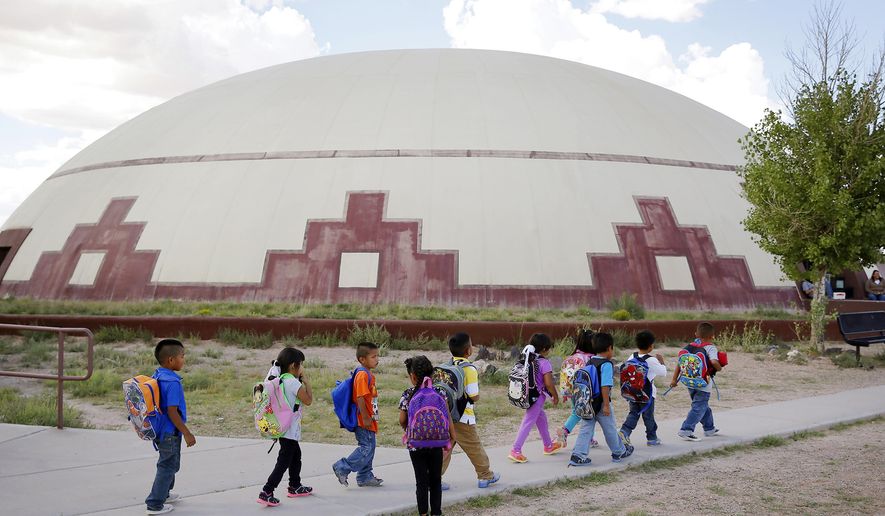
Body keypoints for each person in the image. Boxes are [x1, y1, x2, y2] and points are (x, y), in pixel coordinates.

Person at [440, 332, 501, 489]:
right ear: (468, 351)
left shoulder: (447, 366)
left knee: (444, 448)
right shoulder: (470, 369)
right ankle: (485, 475)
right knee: (474, 448)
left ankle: (433, 478)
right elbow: (473, 396)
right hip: (463, 417)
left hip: (446, 415)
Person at [399, 356, 456, 516]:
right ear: (431, 375)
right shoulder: (439, 392)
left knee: (421, 482)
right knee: (436, 481)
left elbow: (402, 420)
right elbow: (447, 416)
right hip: (437, 444)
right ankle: (436, 512)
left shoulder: (408, 395)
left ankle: (423, 513)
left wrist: (408, 430)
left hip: (416, 445)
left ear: (412, 376)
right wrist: (452, 437)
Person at [257, 347, 314, 507]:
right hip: (289, 430)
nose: (302, 367)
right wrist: (307, 381)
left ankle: (295, 485)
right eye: (301, 364)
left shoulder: (278, 379)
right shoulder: (292, 383)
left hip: (282, 428)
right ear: (293, 365)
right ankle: (267, 491)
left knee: (296, 456)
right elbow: (308, 400)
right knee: (283, 462)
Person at [145, 338, 196, 515]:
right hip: (170, 432)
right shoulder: (173, 383)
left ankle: (164, 494)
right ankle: (154, 504)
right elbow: (172, 412)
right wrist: (187, 433)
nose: (184, 359)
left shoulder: (158, 375)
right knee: (167, 466)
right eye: (182, 356)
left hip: (160, 430)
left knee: (171, 464)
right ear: (171, 360)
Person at [568, 332, 634, 466]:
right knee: (609, 429)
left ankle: (578, 455)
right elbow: (605, 386)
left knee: (586, 429)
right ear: (609, 348)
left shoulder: (590, 361)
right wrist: (605, 405)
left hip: (588, 402)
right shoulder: (607, 365)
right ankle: (619, 451)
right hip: (601, 403)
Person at [332, 342, 384, 487]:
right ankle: (342, 467)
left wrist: (374, 417)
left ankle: (365, 476)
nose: (377, 359)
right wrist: (367, 417)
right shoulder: (362, 375)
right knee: (366, 447)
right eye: (373, 357)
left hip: (369, 418)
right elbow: (360, 397)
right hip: (363, 419)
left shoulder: (367, 374)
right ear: (362, 359)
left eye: (377, 356)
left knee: (370, 447)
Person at [508, 333, 561, 462]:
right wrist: (555, 395)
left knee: (541, 419)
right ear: (544, 349)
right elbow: (548, 383)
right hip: (536, 397)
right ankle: (516, 449)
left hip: (527, 395)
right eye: (548, 348)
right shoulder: (544, 362)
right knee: (528, 422)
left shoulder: (528, 359)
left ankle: (548, 445)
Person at [670, 322, 722, 441]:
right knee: (699, 407)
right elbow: (714, 362)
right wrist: (719, 368)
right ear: (712, 336)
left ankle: (709, 429)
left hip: (689, 381)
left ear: (696, 334)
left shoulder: (688, 347)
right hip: (703, 383)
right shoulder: (710, 347)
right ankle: (686, 430)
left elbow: (680, 363)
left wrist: (674, 380)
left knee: (703, 406)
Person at [619, 330, 667, 446]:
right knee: (648, 416)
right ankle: (652, 438)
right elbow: (663, 373)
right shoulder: (652, 360)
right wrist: (662, 362)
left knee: (633, 413)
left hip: (632, 392)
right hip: (647, 394)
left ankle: (624, 431)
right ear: (651, 346)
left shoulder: (632, 356)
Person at [555, 329, 598, 449]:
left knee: (576, 413)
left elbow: (566, 376)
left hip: (572, 391)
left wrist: (565, 392)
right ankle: (585, 438)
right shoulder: (590, 359)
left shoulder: (573, 357)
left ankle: (567, 432)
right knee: (589, 414)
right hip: (585, 392)